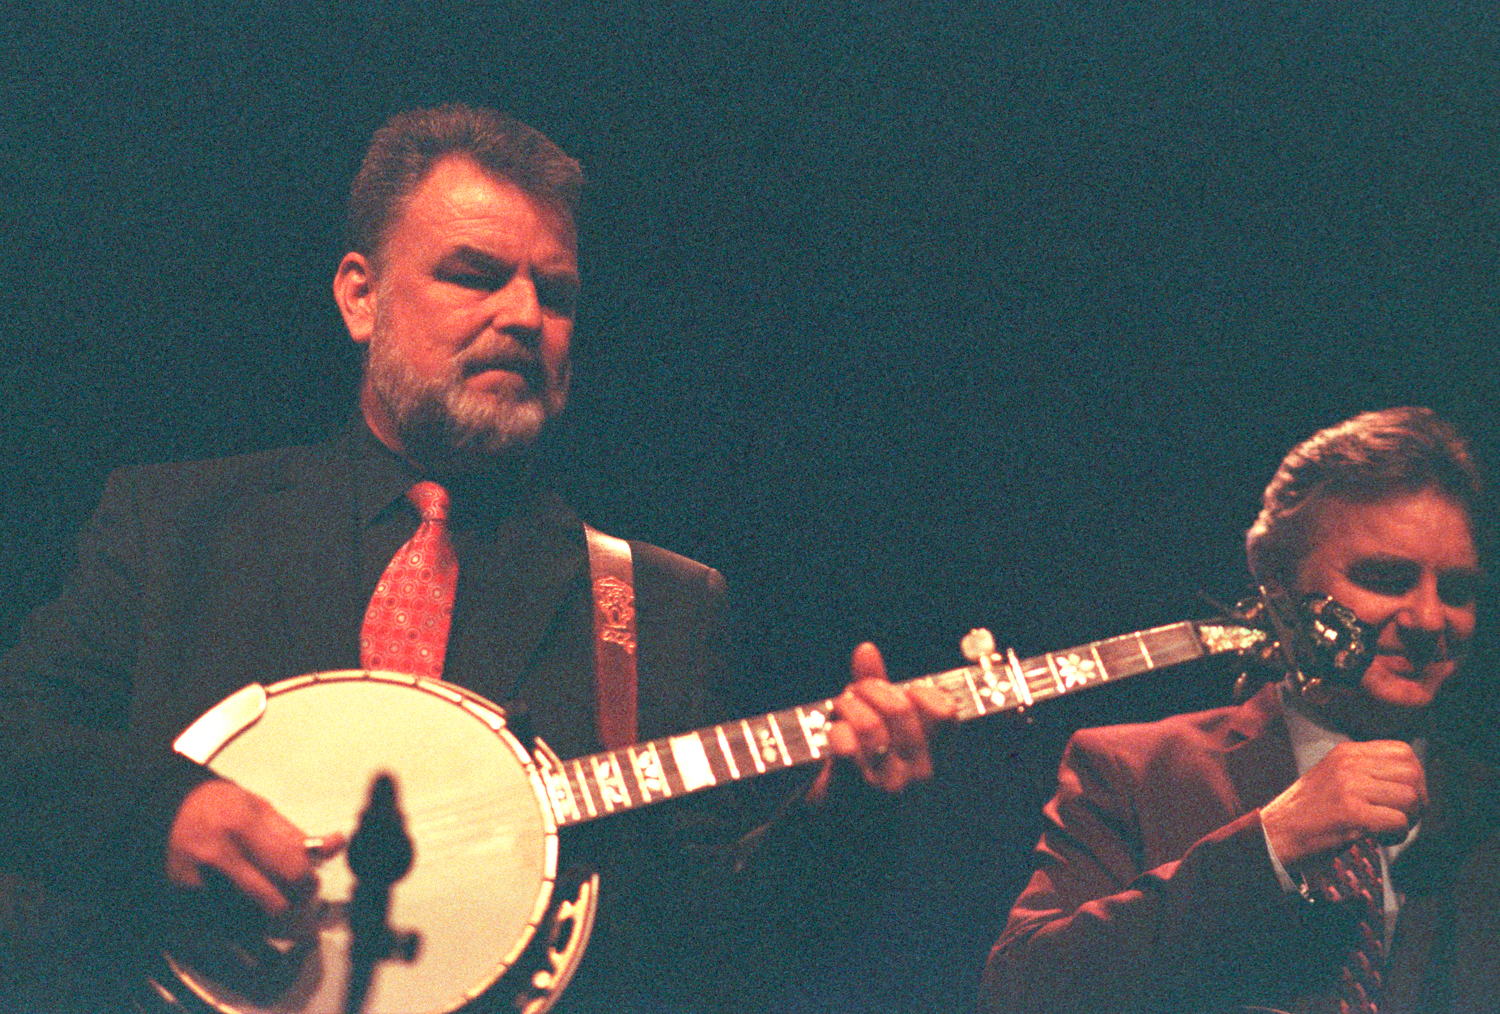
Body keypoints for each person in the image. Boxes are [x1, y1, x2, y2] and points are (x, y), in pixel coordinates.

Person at [0, 104, 951, 1013]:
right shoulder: (177, 524)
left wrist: (842, 819)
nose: (526, 314)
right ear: (360, 296)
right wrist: (156, 810)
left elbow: (712, 954)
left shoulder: (652, 604)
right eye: (473, 273)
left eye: (558, 291)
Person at [981, 406, 1500, 1014]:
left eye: (1458, 590)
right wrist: (1270, 846)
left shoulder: (1486, 806)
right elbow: (1021, 992)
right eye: (1385, 578)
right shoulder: (1133, 770)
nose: (1430, 620)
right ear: (1274, 580)